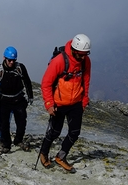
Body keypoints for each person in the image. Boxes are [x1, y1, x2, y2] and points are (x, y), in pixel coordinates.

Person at [39, 34, 91, 172]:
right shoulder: (59, 61)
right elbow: (46, 83)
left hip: (76, 103)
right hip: (59, 103)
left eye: (85, 54)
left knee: (74, 133)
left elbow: (86, 81)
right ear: (74, 50)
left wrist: (84, 100)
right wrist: (49, 104)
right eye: (80, 54)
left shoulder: (86, 61)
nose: (82, 57)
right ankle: (43, 153)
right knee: (54, 132)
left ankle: (61, 157)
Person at [0, 46, 33, 153]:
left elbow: (27, 81)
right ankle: (7, 145)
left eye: (14, 60)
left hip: (18, 99)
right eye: (9, 60)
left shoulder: (20, 68)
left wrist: (30, 95)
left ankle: (18, 140)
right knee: (4, 124)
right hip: (4, 101)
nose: (12, 62)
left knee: (22, 122)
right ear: (4, 58)